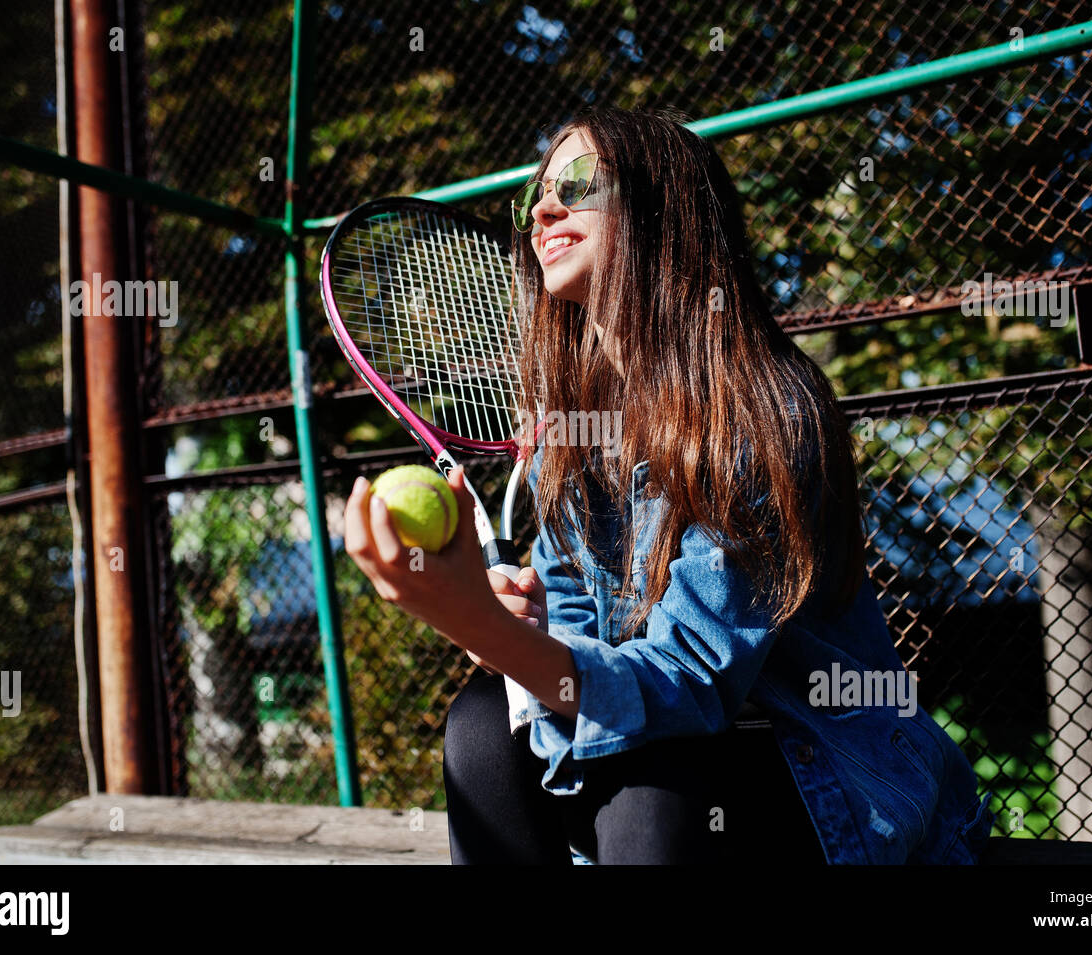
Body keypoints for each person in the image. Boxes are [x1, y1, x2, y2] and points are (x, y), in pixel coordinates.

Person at [343, 106, 994, 865]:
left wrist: (476, 623)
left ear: (664, 208)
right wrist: (526, 635)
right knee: (484, 723)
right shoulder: (577, 437)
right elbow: (586, 653)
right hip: (675, 775)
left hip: (828, 785)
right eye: (536, 198)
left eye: (580, 184)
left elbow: (688, 684)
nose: (544, 211)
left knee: (651, 777)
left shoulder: (762, 408)